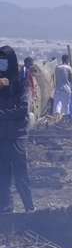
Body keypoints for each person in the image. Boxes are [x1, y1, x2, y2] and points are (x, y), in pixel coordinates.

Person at [0, 46, 35, 213]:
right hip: (1, 136)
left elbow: (23, 109)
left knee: (21, 176)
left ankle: (30, 210)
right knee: (3, 176)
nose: (1, 63)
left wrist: (1, 114)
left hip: (16, 137)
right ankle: (6, 212)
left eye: (4, 59)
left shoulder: (23, 83)